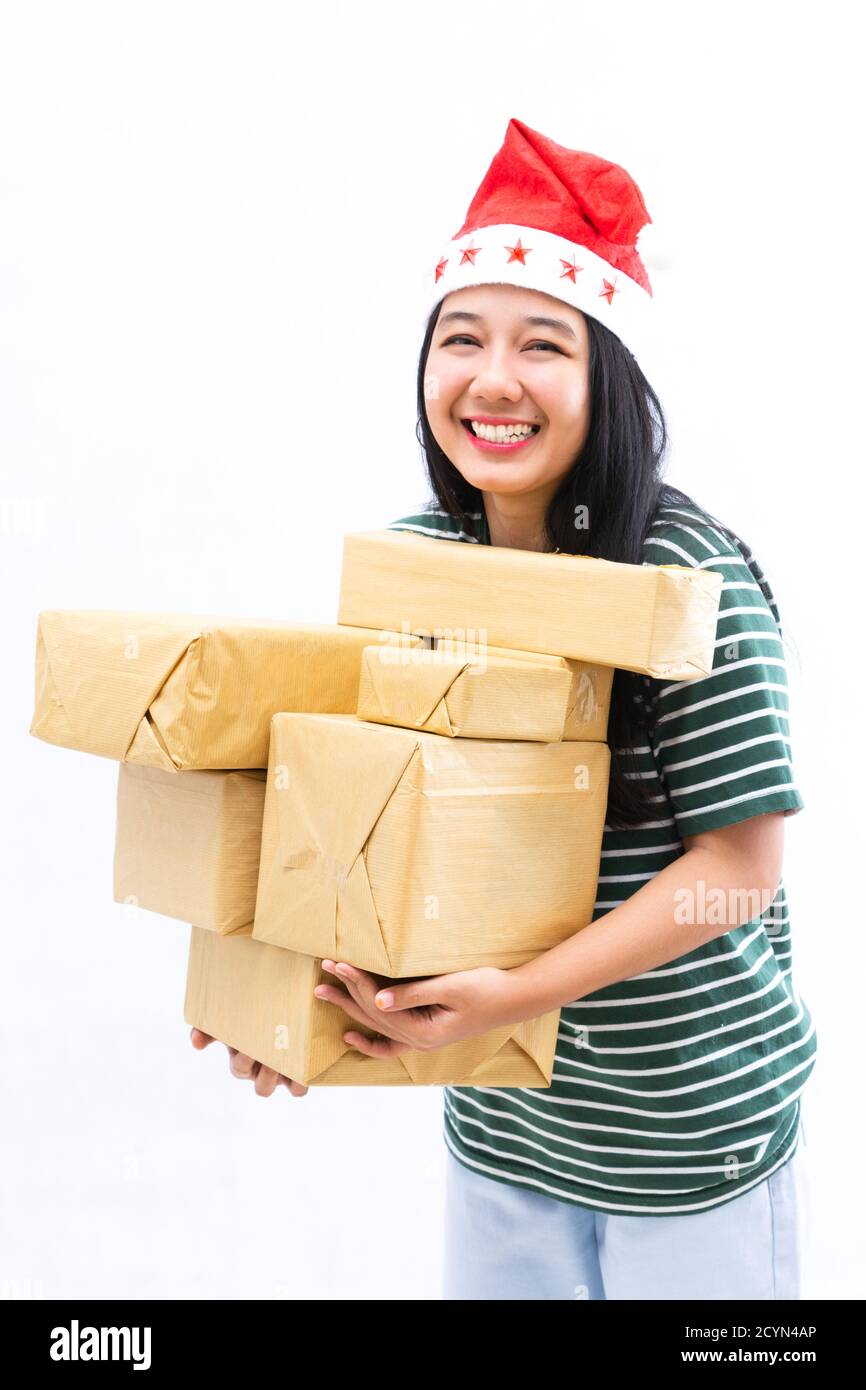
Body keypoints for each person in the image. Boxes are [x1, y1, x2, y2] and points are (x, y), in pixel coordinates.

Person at [192, 117, 817, 1300]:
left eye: (542, 345)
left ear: (606, 381)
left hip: (686, 1133)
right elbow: (355, 814)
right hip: (503, 1125)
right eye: (459, 339)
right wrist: (276, 995)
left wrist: (522, 990)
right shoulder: (416, 563)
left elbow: (740, 867)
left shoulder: (685, 578)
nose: (491, 379)